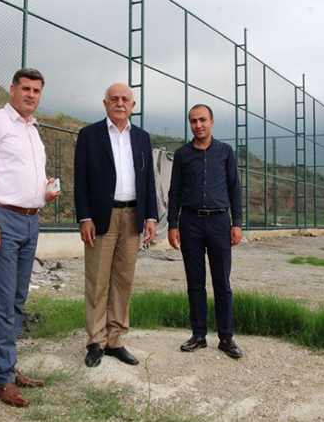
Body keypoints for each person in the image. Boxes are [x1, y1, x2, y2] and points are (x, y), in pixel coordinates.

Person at [0, 68, 60, 407]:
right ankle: (2, 378)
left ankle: (7, 365)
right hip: (2, 219)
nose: (31, 94)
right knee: (2, 301)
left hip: (30, 221)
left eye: (36, 90)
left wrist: (44, 191)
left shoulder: (33, 130)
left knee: (17, 299)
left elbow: (16, 175)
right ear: (12, 90)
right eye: (25, 88)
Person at [74, 83, 158, 368]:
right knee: (97, 280)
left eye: (125, 99)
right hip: (101, 217)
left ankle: (115, 339)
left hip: (133, 216)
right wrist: (84, 217)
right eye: (114, 99)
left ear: (133, 105)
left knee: (124, 280)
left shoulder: (142, 137)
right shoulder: (89, 135)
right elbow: (81, 180)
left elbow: (149, 180)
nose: (119, 103)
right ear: (105, 103)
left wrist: (151, 217)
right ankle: (96, 341)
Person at [167, 104, 243, 358]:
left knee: (222, 282)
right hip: (190, 223)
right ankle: (198, 335)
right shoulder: (182, 154)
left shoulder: (225, 152)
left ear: (211, 121)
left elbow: (234, 188)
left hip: (219, 222)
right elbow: (175, 191)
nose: (198, 125)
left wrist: (237, 223)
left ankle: (226, 337)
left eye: (202, 120)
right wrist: (173, 225)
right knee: (195, 282)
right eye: (193, 121)